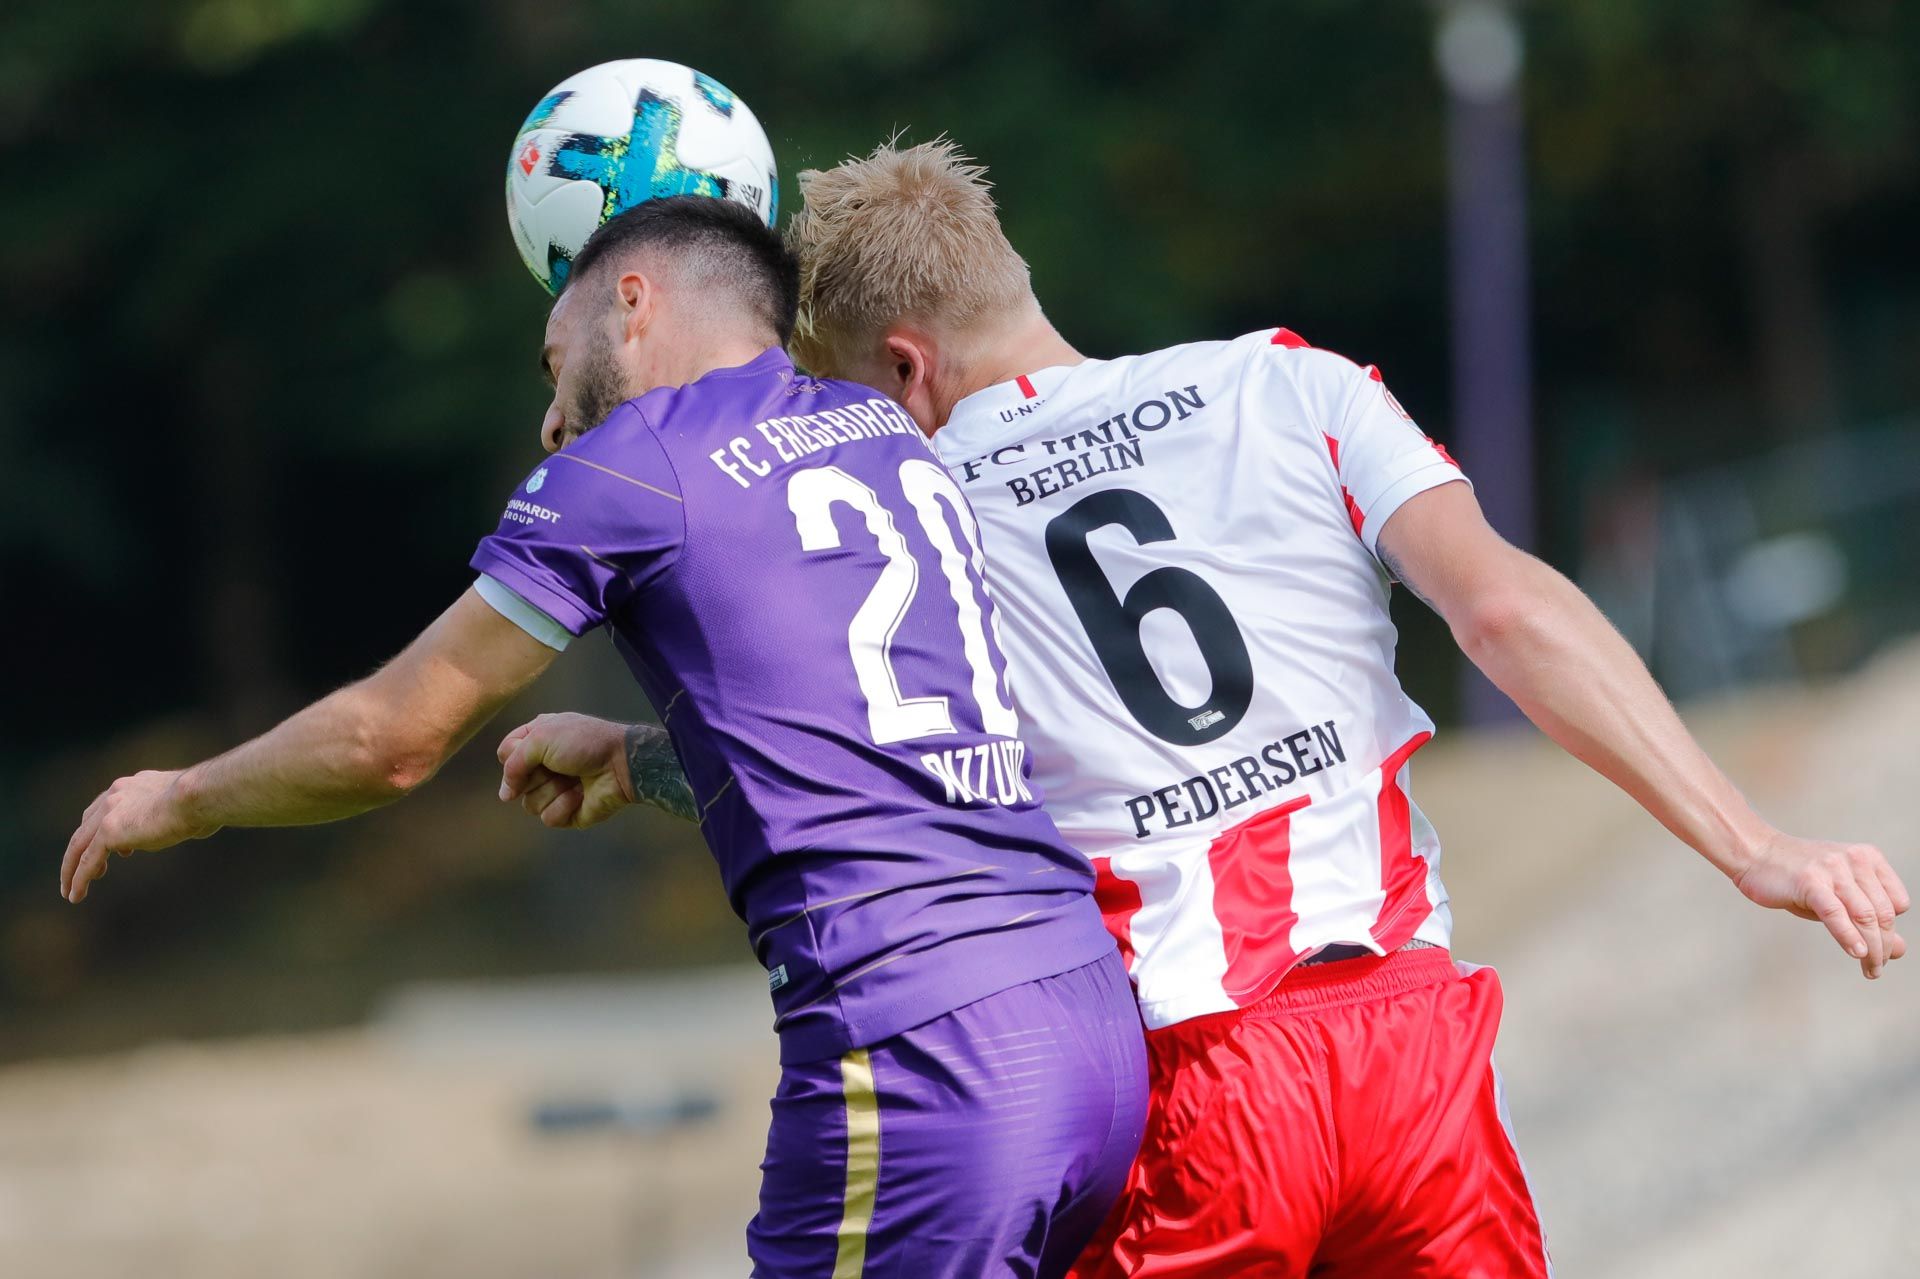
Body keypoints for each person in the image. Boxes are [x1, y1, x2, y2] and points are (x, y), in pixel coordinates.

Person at [496, 145, 1911, 1276]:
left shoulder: (921, 515)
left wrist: (637, 758)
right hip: (1417, 1049)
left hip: (1198, 1083)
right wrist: (1756, 847)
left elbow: (853, 746)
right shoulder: (1290, 383)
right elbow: (1508, 612)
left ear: (903, 368)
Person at [58, 194, 1147, 1279]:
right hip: (1093, 1031)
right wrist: (638, 759)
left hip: (917, 1052)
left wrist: (183, 796)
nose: (547, 421)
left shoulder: (631, 467)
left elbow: (387, 739)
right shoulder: (885, 427)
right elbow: (863, 752)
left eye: (551, 358)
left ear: (630, 304)